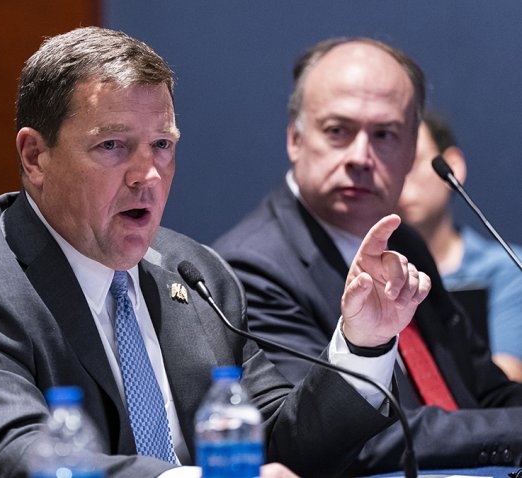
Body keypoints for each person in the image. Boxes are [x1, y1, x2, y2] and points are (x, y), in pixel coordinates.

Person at [0, 27, 431, 478]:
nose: (148, 175)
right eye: (112, 145)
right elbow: (16, 460)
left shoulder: (198, 274)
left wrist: (363, 343)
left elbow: (278, 446)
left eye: (162, 145)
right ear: (35, 156)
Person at [213, 37, 522, 474]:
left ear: (413, 151)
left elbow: (484, 390)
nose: (360, 157)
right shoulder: (252, 267)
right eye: (338, 131)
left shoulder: (406, 242)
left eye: (384, 135)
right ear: (295, 139)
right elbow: (341, 439)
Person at [397, 111, 522, 381]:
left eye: (412, 162)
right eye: (391, 166)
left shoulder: (507, 269)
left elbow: (508, 381)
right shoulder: (362, 275)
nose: (400, 179)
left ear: (452, 165)